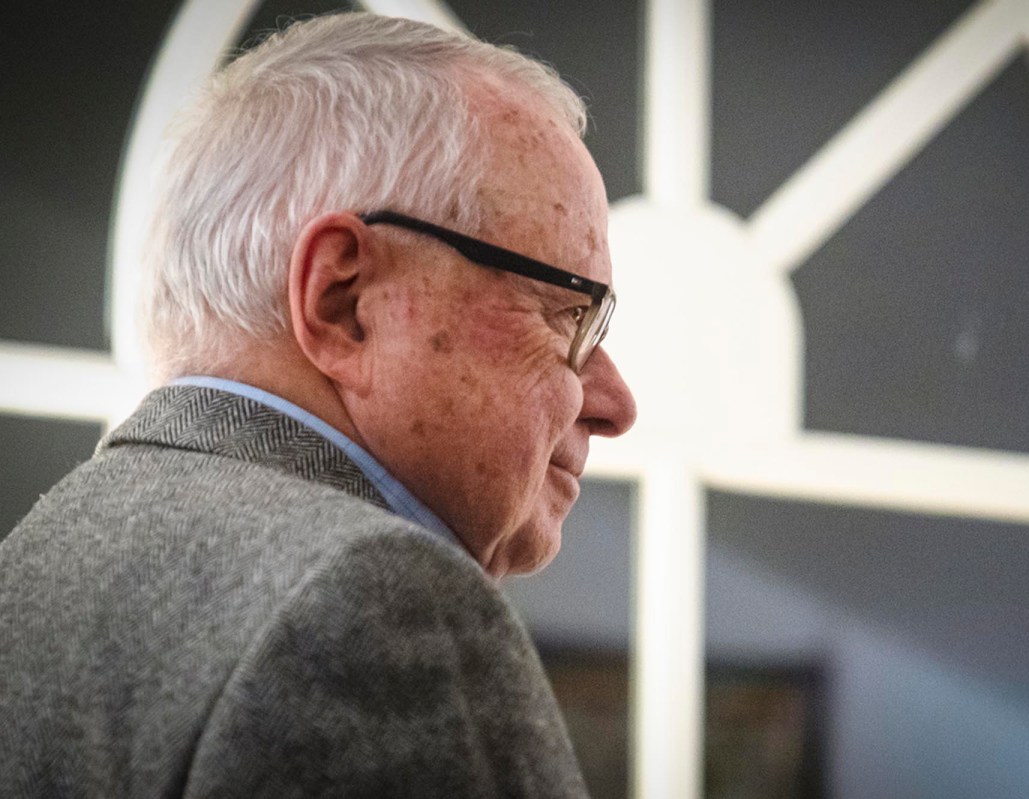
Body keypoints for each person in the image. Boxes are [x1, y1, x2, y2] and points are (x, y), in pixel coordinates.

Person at [0, 11, 635, 797]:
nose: (614, 401)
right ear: (343, 300)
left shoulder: (39, 557)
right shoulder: (381, 606)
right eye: (568, 314)